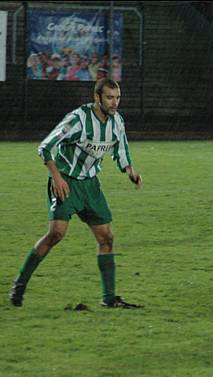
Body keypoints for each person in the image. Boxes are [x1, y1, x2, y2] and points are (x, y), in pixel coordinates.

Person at [9, 78, 144, 309]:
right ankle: (19, 283)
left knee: (106, 238)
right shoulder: (78, 119)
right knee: (56, 234)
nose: (115, 103)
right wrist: (57, 177)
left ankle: (109, 298)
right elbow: (45, 147)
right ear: (97, 98)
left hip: (90, 185)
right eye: (110, 98)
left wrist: (129, 170)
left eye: (118, 97)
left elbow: (121, 149)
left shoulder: (117, 121)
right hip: (66, 182)